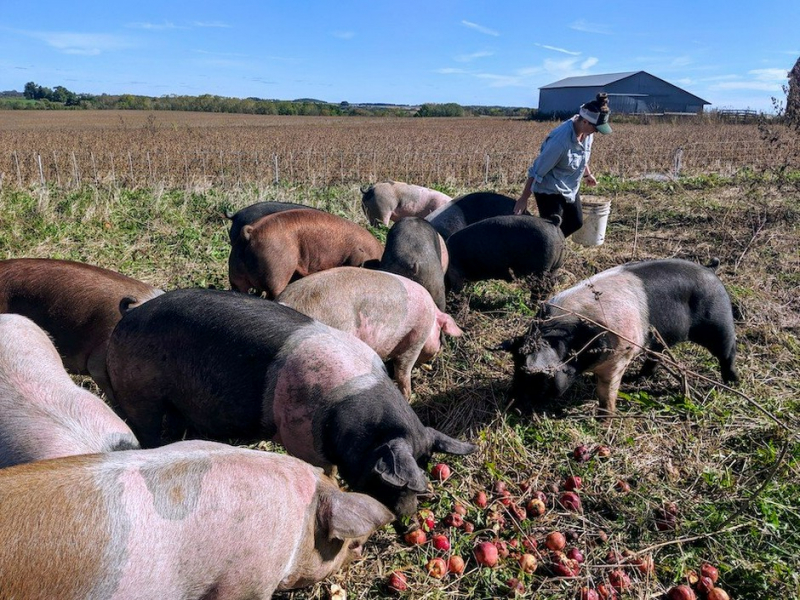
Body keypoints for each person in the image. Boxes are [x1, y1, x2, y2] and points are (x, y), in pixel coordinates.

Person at [513, 93, 612, 237]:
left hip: (570, 186)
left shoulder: (587, 133)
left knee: (575, 222)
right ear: (585, 122)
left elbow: (582, 156)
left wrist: (587, 174)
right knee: (551, 231)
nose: (596, 132)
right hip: (550, 190)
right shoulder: (560, 142)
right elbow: (536, 171)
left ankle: (550, 245)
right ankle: (542, 248)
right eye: (596, 128)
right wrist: (523, 199)